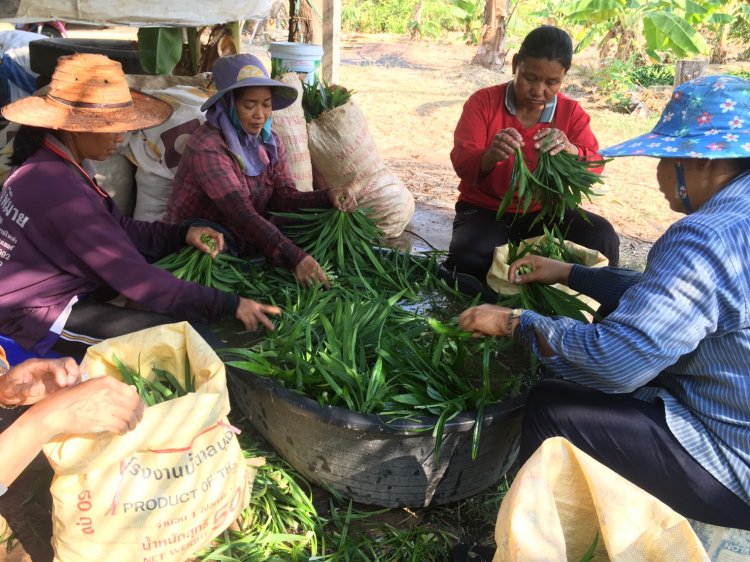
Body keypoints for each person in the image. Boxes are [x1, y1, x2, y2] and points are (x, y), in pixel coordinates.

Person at [458, 74, 750, 530]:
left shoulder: (706, 236)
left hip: (733, 462)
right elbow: (675, 302)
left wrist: (516, 321)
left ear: (702, 162)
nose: (657, 174)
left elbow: (616, 364)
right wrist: (573, 273)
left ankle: (536, 544)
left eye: (665, 159)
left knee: (552, 404)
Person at [0, 53, 280, 359]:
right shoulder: (62, 192)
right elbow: (137, 280)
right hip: (34, 318)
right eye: (113, 126)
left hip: (44, 296)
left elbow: (117, 228)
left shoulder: (50, 164)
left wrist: (181, 234)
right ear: (76, 128)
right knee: (178, 342)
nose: (121, 137)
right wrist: (230, 303)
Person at [164, 53, 357, 290]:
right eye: (249, 105)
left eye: (266, 104)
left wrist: (327, 196)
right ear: (228, 103)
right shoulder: (208, 146)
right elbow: (239, 212)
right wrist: (294, 257)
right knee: (219, 261)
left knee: (307, 230)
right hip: (208, 234)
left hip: (244, 231)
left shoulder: (270, 141)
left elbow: (284, 197)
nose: (260, 114)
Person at [444, 25, 619, 285]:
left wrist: (571, 150)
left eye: (552, 83)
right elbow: (462, 161)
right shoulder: (483, 103)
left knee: (601, 236)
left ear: (564, 77)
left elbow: (594, 165)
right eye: (529, 78)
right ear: (515, 64)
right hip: (486, 210)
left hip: (544, 211)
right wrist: (490, 155)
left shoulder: (571, 113)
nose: (539, 91)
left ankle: (601, 308)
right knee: (470, 258)